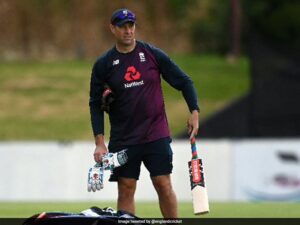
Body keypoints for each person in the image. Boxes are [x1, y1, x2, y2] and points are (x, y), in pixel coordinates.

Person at [89, 8, 199, 218]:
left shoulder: (151, 54)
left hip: (155, 133)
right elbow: (95, 104)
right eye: (123, 26)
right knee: (126, 187)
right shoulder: (103, 65)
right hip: (123, 138)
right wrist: (100, 142)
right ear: (112, 28)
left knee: (163, 183)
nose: (128, 30)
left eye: (131, 25)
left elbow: (184, 81)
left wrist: (194, 111)